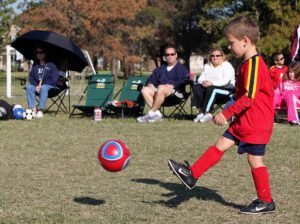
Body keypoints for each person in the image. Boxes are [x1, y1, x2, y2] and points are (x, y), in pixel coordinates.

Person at [168, 16, 276, 215]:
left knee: (255, 161)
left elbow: (249, 98)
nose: (229, 47)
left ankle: (266, 201)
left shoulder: (254, 64)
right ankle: (192, 175)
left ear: (245, 41)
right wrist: (229, 107)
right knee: (220, 144)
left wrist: (226, 113)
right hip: (245, 120)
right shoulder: (246, 63)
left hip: (256, 122)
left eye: (231, 43)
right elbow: (240, 94)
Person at [137, 45, 188, 123]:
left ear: (176, 55)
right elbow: (150, 80)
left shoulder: (182, 68)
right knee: (144, 89)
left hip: (176, 95)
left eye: (172, 54)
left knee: (161, 87)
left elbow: (185, 80)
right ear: (165, 56)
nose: (170, 56)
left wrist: (173, 85)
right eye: (167, 55)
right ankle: (157, 114)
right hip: (159, 95)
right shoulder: (160, 69)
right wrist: (150, 84)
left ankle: (150, 113)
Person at [192, 48, 235, 123]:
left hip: (227, 91)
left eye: (218, 55)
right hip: (210, 91)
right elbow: (200, 79)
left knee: (212, 89)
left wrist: (212, 83)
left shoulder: (227, 65)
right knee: (197, 87)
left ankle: (208, 113)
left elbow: (226, 81)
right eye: (213, 56)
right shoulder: (207, 65)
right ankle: (201, 112)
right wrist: (204, 82)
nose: (215, 57)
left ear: (222, 56)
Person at [25, 46, 60, 118]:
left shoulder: (51, 64)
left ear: (45, 54)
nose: (39, 54)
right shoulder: (35, 64)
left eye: (41, 52)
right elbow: (31, 77)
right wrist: (36, 85)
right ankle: (33, 109)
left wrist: (41, 86)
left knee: (43, 88)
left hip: (50, 86)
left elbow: (55, 79)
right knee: (29, 87)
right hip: (37, 85)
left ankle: (41, 110)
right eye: (37, 52)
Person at [274, 61, 300, 126]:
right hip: (282, 100)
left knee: (290, 95)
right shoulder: (284, 81)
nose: (291, 74)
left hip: (293, 100)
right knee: (274, 95)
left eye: (293, 72)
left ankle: (293, 120)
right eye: (290, 72)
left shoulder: (299, 83)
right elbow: (277, 91)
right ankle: (267, 117)